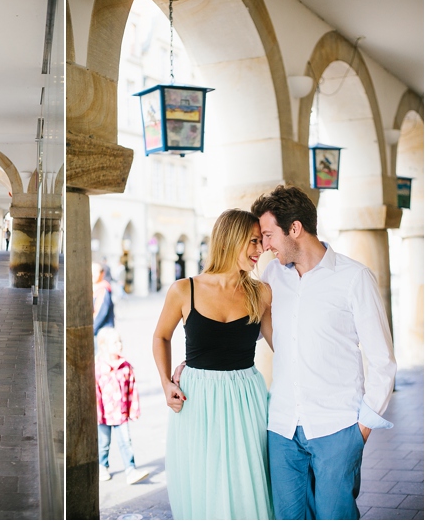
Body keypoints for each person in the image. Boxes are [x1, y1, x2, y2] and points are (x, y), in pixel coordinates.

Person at [251, 185, 396, 520]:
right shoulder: (272, 275)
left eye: (269, 235)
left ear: (295, 229)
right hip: (283, 427)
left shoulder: (354, 277)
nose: (266, 245)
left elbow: (382, 360)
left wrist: (361, 429)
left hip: (338, 426)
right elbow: (255, 329)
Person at [153, 209, 273, 520]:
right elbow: (161, 337)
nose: (260, 250)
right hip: (198, 401)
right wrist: (166, 382)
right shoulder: (184, 289)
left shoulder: (261, 293)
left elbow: (283, 347)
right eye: (254, 241)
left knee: (247, 484)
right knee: (204, 484)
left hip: (247, 398)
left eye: (261, 242)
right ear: (231, 240)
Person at [95, 327, 149, 485]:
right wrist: (96, 413)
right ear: (104, 346)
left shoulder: (126, 367)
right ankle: (102, 466)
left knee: (126, 442)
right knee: (103, 443)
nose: (119, 345)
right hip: (103, 415)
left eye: (120, 341)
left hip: (121, 413)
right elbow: (95, 391)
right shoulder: (98, 367)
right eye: (115, 342)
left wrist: (134, 410)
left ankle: (131, 470)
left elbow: (132, 390)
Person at [93, 262, 115, 338]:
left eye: (96, 272)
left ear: (102, 273)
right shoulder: (95, 288)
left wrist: (91, 330)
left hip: (101, 333)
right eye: (91, 272)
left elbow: (100, 314)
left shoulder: (102, 289)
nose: (93, 274)